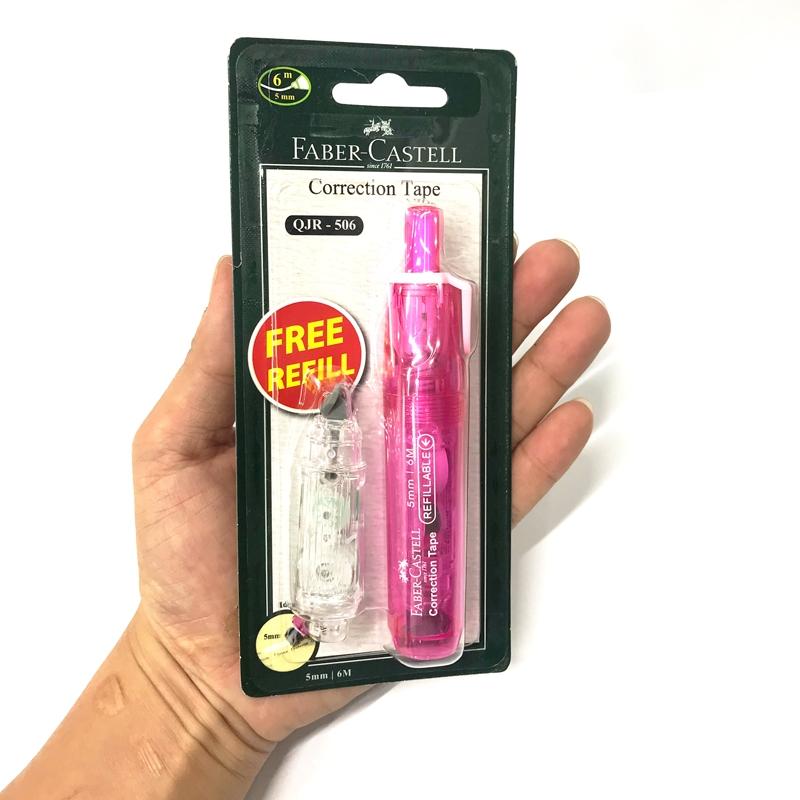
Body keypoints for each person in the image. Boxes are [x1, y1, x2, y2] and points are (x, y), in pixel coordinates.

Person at [3, 239, 610, 799]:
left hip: (409, 505)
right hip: (331, 586)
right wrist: (183, 683)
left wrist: (188, 699)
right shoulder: (354, 425)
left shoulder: (425, 381)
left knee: (431, 511)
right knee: (419, 505)